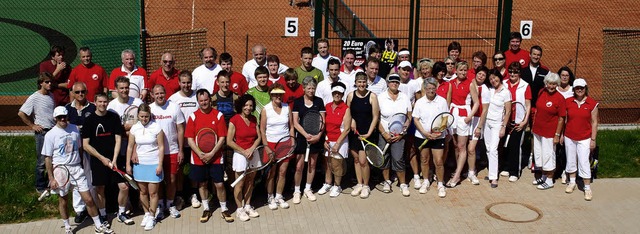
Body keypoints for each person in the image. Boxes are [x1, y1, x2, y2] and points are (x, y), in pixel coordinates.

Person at [43, 106, 114, 234]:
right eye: (60, 117)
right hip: (61, 171)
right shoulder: (50, 135)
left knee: (88, 199)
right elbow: (48, 158)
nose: (63, 119)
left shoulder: (75, 129)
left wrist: (80, 164)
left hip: (77, 169)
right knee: (63, 200)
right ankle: (67, 227)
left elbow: (80, 149)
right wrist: (51, 178)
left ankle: (98, 225)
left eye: (64, 116)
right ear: (55, 119)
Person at [185, 89, 233, 223]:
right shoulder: (193, 117)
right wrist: (200, 154)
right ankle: (206, 208)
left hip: (216, 157)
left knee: (219, 184)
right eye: (201, 101)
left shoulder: (218, 115)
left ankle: (224, 209)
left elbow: (222, 137)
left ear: (210, 100)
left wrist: (212, 153)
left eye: (206, 100)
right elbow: (189, 139)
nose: (204, 103)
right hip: (198, 158)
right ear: (198, 102)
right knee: (202, 183)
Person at [82, 93, 127, 228]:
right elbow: (85, 145)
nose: (103, 104)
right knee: (100, 188)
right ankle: (102, 215)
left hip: (115, 159)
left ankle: (121, 213)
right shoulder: (89, 121)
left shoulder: (113, 117)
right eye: (100, 102)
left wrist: (113, 159)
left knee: (124, 187)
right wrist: (102, 158)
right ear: (95, 102)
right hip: (98, 161)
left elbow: (118, 139)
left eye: (105, 102)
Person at [106, 76, 142, 225]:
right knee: (124, 182)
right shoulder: (111, 107)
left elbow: (142, 123)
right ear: (116, 89)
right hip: (119, 150)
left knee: (138, 179)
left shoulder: (138, 103)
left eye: (126, 87)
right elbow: (113, 130)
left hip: (137, 148)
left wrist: (129, 130)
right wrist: (125, 129)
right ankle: (123, 207)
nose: (124, 90)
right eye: (121, 88)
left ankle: (141, 204)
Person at [126, 104, 165, 230]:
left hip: (153, 163)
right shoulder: (134, 129)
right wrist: (128, 164)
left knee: (153, 193)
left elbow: (161, 147)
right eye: (142, 116)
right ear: (138, 116)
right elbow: (130, 147)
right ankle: (147, 214)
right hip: (139, 164)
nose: (144, 119)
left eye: (146, 116)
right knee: (142, 192)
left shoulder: (156, 127)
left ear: (150, 115)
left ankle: (152, 217)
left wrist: (160, 164)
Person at [149, 85, 185, 219]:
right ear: (152, 95)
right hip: (154, 152)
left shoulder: (174, 107)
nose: (159, 96)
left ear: (165, 93)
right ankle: (159, 205)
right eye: (156, 93)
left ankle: (170, 204)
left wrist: (181, 150)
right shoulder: (150, 109)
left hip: (172, 150)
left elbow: (180, 129)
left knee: (171, 179)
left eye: (162, 93)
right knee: (157, 181)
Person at [18, 72, 55, 198]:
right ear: (41, 83)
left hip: (52, 131)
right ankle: (40, 186)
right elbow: (21, 113)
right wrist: (33, 125)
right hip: (42, 133)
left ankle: (51, 184)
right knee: (41, 161)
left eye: (50, 82)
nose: (49, 84)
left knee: (53, 159)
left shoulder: (51, 96)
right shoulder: (34, 97)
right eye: (47, 82)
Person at [168, 71, 201, 209]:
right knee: (180, 171)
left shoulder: (198, 96)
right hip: (179, 142)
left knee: (194, 168)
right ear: (179, 83)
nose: (186, 85)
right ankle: (180, 195)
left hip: (196, 141)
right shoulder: (173, 99)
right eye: (183, 82)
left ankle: (193, 194)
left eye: (188, 82)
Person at [291, 76, 326, 204]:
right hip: (302, 138)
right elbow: (295, 122)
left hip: (316, 138)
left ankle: (308, 189)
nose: (311, 90)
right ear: (304, 88)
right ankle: (296, 191)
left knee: (312, 164)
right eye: (309, 88)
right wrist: (305, 135)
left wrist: (318, 136)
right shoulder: (298, 102)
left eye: (313, 88)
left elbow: (323, 121)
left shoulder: (319, 101)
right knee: (299, 166)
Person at [64, 82, 96, 223]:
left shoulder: (93, 107)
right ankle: (80, 210)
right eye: (77, 92)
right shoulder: (66, 109)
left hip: (89, 147)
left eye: (83, 91)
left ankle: (93, 207)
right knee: (76, 178)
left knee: (90, 178)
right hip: (72, 149)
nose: (80, 94)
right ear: (72, 93)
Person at [413, 78, 449, 197]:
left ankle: (440, 184)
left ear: (436, 88)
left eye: (433, 88)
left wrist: (438, 132)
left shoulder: (442, 101)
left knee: (438, 161)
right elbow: (416, 119)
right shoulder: (419, 102)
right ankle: (426, 181)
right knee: (424, 159)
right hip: (422, 136)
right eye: (428, 88)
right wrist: (425, 132)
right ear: (425, 89)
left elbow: (445, 118)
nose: (431, 90)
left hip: (438, 137)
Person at [227, 95, 261, 221]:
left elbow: (258, 137)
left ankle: (247, 205)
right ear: (241, 106)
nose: (248, 108)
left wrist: (252, 149)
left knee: (250, 181)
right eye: (246, 105)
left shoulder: (253, 118)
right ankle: (239, 209)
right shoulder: (234, 120)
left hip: (253, 153)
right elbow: (229, 141)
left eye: (251, 105)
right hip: (240, 155)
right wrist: (244, 151)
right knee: (240, 183)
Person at [377, 74, 412, 196]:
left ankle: (402, 183)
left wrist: (402, 133)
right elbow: (377, 118)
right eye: (392, 81)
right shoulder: (380, 97)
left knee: (398, 158)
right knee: (384, 158)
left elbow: (409, 117)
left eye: (397, 82)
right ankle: (387, 181)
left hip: (399, 136)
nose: (394, 84)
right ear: (387, 83)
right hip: (384, 134)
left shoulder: (404, 97)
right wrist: (384, 133)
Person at [260, 83, 294, 210]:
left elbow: (291, 126)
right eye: (275, 94)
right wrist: (267, 147)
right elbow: (262, 130)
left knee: (283, 171)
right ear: (271, 95)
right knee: (271, 173)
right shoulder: (266, 109)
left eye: (280, 94)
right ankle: (270, 197)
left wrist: (292, 141)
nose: (278, 96)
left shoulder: (287, 107)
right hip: (271, 144)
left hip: (285, 143)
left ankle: (279, 196)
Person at [346, 72, 380, 199]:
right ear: (355, 83)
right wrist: (352, 121)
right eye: (359, 82)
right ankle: (359, 184)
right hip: (354, 133)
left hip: (367, 133)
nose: (361, 84)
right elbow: (348, 112)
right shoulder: (350, 96)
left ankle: (366, 186)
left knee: (363, 161)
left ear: (367, 83)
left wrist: (369, 133)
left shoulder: (372, 97)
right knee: (356, 159)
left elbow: (376, 116)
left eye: (364, 82)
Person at [475, 69, 512, 188]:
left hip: (497, 124)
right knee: (488, 148)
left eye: (495, 78)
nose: (493, 80)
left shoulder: (506, 92)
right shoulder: (489, 90)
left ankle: (494, 177)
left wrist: (503, 127)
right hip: (487, 123)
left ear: (499, 77)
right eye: (490, 79)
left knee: (493, 150)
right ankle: (492, 173)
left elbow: (508, 111)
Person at [563, 78, 598, 201]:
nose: (579, 90)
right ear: (574, 89)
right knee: (571, 159)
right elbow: (565, 120)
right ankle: (572, 182)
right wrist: (562, 134)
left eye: (581, 88)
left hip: (585, 137)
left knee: (583, 161)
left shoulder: (592, 104)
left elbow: (594, 122)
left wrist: (593, 139)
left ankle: (587, 187)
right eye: (577, 88)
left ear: (585, 88)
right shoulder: (568, 102)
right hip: (569, 136)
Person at [447, 61, 480, 188]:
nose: (463, 72)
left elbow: (476, 102)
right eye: (461, 70)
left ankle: (457, 175)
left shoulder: (471, 84)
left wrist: (469, 117)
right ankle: (458, 169)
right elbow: (448, 100)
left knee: (462, 146)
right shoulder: (451, 83)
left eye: (465, 70)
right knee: (455, 145)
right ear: (456, 70)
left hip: (463, 116)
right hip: (453, 115)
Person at [531, 73, 566, 190]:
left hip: (549, 132)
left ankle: (550, 180)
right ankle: (544, 176)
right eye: (549, 83)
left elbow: (561, 118)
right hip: (538, 130)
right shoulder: (542, 92)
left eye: (554, 84)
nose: (551, 86)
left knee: (548, 155)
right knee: (539, 154)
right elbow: (537, 110)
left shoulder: (560, 98)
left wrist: (557, 135)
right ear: (546, 83)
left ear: (557, 85)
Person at [319, 82, 352, 197]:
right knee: (328, 163)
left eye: (339, 93)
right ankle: (328, 183)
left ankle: (337, 186)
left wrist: (337, 144)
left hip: (340, 141)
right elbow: (322, 124)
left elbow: (347, 129)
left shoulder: (346, 108)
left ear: (342, 94)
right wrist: (323, 140)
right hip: (328, 140)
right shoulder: (326, 106)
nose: (337, 95)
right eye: (335, 93)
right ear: (332, 93)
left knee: (337, 164)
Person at [502, 62, 532, 182]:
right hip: (506, 121)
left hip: (519, 121)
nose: (512, 74)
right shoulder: (504, 84)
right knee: (506, 146)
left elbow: (528, 105)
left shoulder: (525, 86)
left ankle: (515, 171)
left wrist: (525, 121)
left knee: (516, 146)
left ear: (519, 73)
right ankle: (506, 167)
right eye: (511, 71)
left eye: (515, 72)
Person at [466, 66, 490, 186]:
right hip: (466, 119)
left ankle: (472, 172)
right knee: (462, 147)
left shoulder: (484, 89)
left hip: (477, 121)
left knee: (471, 149)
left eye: (483, 75)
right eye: (479, 74)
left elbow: (484, 110)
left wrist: (479, 127)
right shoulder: (470, 84)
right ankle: (468, 169)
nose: (481, 76)